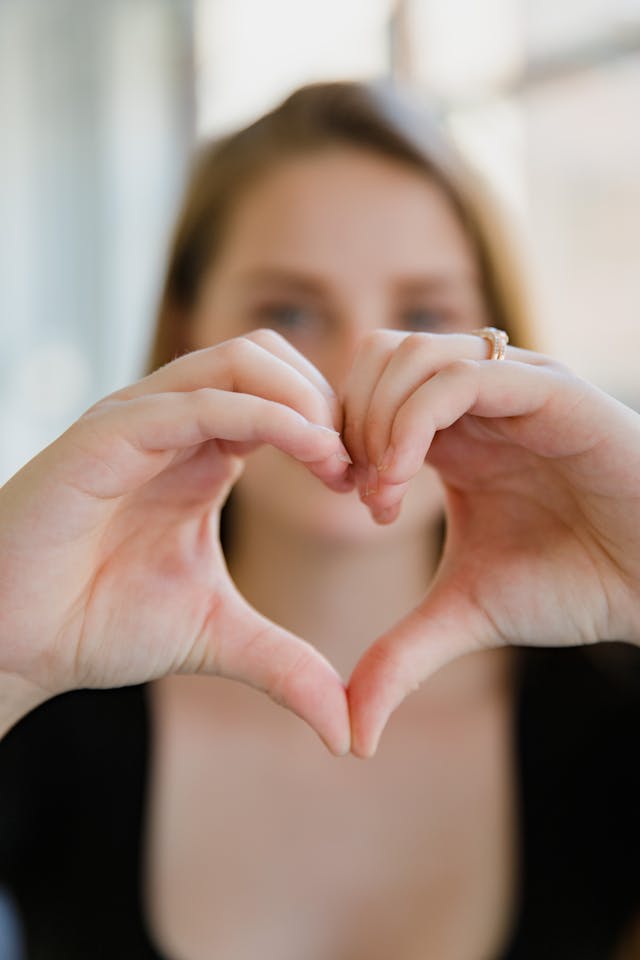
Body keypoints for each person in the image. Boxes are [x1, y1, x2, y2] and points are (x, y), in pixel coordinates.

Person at [1, 79, 640, 960]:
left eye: (423, 316)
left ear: (501, 351)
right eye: (289, 312)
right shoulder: (50, 696)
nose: (358, 373)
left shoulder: (613, 706)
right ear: (189, 334)